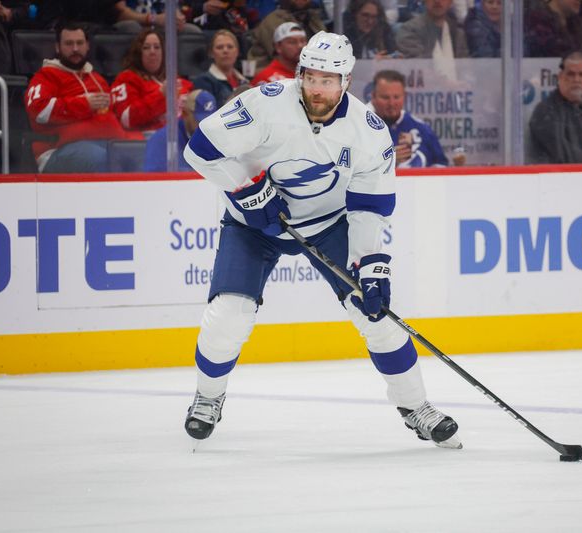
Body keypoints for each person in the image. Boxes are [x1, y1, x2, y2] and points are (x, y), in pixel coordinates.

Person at [182, 31, 462, 449]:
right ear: (299, 74)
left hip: (329, 225)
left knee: (378, 316)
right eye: (311, 77)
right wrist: (245, 186)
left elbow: (369, 207)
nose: (318, 88)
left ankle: (417, 407)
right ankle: (207, 396)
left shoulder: (368, 132)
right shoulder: (265, 103)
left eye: (328, 80)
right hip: (252, 225)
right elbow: (199, 151)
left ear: (346, 81)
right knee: (228, 316)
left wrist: (371, 263)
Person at [24, 21, 137, 173]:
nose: (75, 49)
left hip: (108, 144)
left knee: (142, 154)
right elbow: (39, 110)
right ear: (58, 47)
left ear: (87, 45)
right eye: (69, 44)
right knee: (104, 159)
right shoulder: (45, 76)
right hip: (59, 151)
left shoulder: (97, 78)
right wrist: (84, 104)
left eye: (79, 43)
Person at [368, 69, 464, 167]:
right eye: (385, 97)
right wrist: (387, 161)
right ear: (373, 97)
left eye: (396, 97)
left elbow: (441, 165)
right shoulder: (362, 128)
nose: (392, 103)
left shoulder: (422, 128)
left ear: (404, 96)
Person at [110, 29, 193, 133]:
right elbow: (126, 119)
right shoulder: (127, 78)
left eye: (157, 47)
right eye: (146, 48)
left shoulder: (177, 81)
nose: (152, 52)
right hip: (147, 140)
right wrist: (161, 95)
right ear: (138, 53)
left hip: (183, 139)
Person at [143, 89, 217, 171]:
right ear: (185, 114)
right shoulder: (163, 139)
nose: (205, 127)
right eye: (200, 121)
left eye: (209, 121)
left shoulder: (215, 137)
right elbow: (155, 179)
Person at [246, 0, 326, 72]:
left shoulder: (313, 17)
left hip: (306, 71)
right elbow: (286, 56)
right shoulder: (273, 21)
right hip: (269, 74)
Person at [396, 0, 469, 59]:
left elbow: (465, 68)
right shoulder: (409, 30)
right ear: (424, 1)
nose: (437, 1)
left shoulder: (458, 34)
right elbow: (419, 65)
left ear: (450, 2)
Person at [192, 29, 249, 104]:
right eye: (219, 47)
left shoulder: (245, 82)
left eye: (230, 47)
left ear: (237, 52)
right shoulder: (204, 81)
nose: (225, 51)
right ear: (211, 53)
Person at [249, 21, 306, 86]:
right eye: (292, 42)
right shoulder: (266, 78)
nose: (300, 46)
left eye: (303, 41)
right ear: (278, 47)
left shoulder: (311, 74)